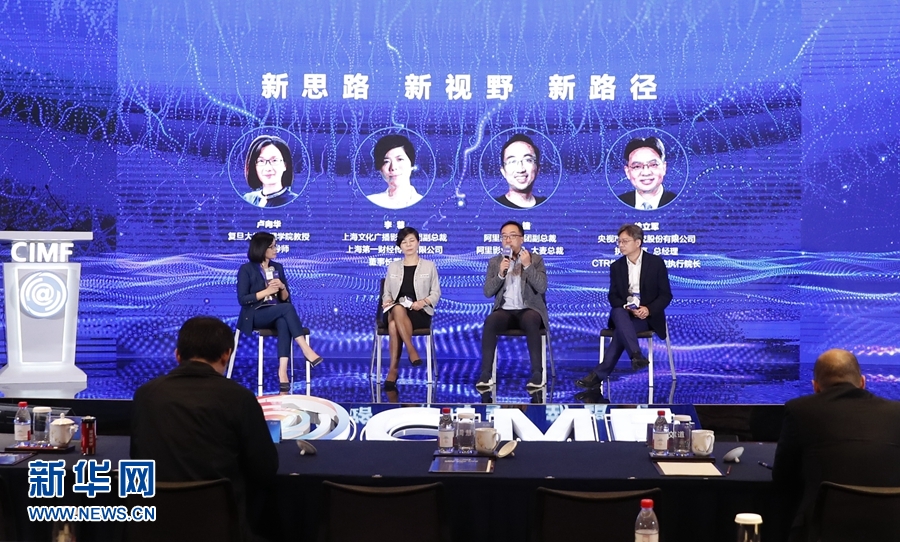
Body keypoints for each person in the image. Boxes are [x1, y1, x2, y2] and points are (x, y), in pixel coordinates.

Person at [131, 316, 278, 542]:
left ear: (177, 355)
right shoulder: (240, 398)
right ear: (226, 354)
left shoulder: (145, 395)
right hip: (222, 532)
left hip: (151, 530)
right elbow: (265, 469)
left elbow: (137, 459)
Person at [772, 348, 900, 542]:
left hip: (820, 533)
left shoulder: (799, 410)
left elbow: (782, 478)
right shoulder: (896, 413)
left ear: (815, 387)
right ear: (862, 382)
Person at [576, 224, 671, 393]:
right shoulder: (616, 266)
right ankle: (636, 355)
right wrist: (627, 307)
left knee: (622, 332)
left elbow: (665, 295)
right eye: (619, 241)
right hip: (625, 314)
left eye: (625, 241)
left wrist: (648, 309)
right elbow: (613, 296)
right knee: (618, 311)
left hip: (647, 317)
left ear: (638, 242)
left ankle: (598, 375)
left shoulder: (656, 263)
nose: (621, 245)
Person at [237, 231, 323, 393]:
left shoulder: (277, 267)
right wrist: (266, 291)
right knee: (287, 310)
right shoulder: (246, 269)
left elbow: (285, 299)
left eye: (275, 246)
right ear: (261, 248)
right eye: (272, 247)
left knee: (284, 321)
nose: (276, 249)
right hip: (255, 313)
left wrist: (282, 287)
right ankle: (306, 350)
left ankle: (282, 372)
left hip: (276, 311)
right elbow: (243, 299)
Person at [476, 220, 549, 390]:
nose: (508, 240)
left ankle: (537, 374)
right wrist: (500, 274)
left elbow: (541, 287)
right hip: (505, 311)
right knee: (490, 321)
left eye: (512, 236)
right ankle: (486, 375)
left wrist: (528, 266)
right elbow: (487, 292)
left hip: (529, 309)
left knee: (531, 319)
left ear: (521, 239)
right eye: (504, 237)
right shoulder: (496, 262)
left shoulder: (535, 259)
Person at [380, 227, 441, 391]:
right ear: (400, 246)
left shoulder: (429, 266)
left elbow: (436, 293)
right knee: (398, 309)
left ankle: (393, 370)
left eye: (411, 241)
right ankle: (411, 349)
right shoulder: (393, 267)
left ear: (418, 242)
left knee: (394, 325)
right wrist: (387, 301)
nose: (408, 245)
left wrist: (423, 302)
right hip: (394, 310)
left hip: (419, 313)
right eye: (404, 242)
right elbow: (386, 293)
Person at [617, 136, 677, 210]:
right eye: (637, 166)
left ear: (664, 168)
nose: (646, 173)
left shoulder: (679, 204)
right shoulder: (617, 205)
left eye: (653, 165)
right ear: (627, 172)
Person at [367, 134, 423, 209]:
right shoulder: (371, 202)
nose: (393, 167)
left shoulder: (424, 204)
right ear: (380, 169)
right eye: (386, 161)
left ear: (412, 164)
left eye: (400, 159)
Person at [242, 135, 297, 208]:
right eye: (261, 161)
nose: (268, 168)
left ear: (285, 165)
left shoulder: (295, 202)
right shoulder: (248, 198)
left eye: (274, 160)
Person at [494, 134, 547, 209]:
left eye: (528, 160)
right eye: (512, 161)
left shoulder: (547, 205)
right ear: (503, 172)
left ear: (538, 169)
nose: (520, 169)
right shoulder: (494, 207)